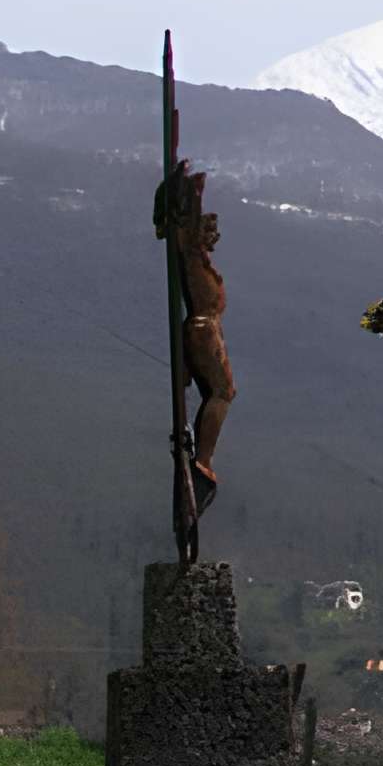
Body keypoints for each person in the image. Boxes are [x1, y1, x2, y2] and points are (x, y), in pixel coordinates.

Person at [152, 159, 233, 506]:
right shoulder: (191, 253)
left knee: (221, 391)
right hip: (203, 328)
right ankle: (204, 459)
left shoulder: (199, 258)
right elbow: (181, 230)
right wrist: (190, 192)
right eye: (208, 229)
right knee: (224, 390)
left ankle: (202, 458)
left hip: (205, 327)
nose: (213, 236)